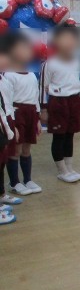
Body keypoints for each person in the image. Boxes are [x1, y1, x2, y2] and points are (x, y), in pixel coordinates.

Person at [39, 24, 80, 183]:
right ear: (56, 41)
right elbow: (42, 87)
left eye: (72, 39)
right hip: (58, 102)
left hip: (74, 101)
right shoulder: (50, 64)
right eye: (65, 38)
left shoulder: (77, 61)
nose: (69, 42)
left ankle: (69, 167)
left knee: (70, 135)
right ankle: (61, 170)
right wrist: (44, 109)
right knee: (59, 136)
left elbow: (78, 81)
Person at [2, 32, 42, 194]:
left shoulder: (32, 75)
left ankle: (28, 179)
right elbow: (7, 101)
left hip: (31, 113)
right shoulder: (8, 75)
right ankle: (14, 182)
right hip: (17, 114)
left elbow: (35, 97)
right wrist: (12, 124)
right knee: (16, 150)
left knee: (27, 149)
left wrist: (37, 119)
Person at [0, 35, 20, 218]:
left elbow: (7, 106)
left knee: (2, 161)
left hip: (5, 122)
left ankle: (1, 195)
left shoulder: (4, 80)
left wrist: (11, 127)